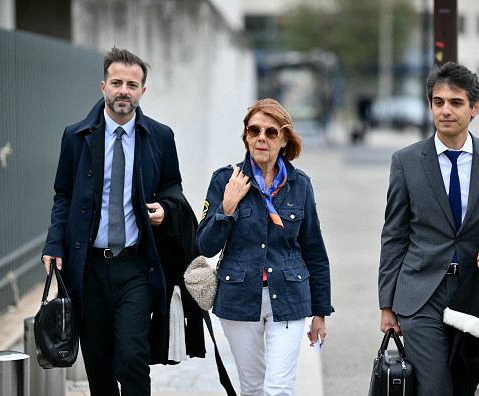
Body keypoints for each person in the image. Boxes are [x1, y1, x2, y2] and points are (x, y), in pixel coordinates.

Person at [378, 62, 479, 395]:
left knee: (465, 386)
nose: (446, 110)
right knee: (435, 388)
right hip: (421, 295)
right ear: (430, 105)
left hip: (475, 294)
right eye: (439, 102)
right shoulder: (406, 161)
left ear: (475, 108)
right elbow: (394, 234)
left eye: (456, 102)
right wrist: (387, 305)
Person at [41, 47, 182, 396]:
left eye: (132, 85)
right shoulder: (76, 136)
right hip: (88, 269)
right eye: (117, 82)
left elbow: (172, 186)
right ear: (103, 86)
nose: (124, 91)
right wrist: (54, 243)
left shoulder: (160, 137)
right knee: (99, 368)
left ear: (142, 92)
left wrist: (166, 208)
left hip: (135, 268)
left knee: (132, 360)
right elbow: (64, 196)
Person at [196, 98, 334, 396]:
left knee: (279, 387)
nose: (261, 137)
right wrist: (227, 207)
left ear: (284, 139)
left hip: (288, 296)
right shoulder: (225, 180)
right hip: (238, 297)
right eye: (254, 130)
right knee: (253, 388)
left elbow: (315, 252)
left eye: (270, 132)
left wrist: (320, 313)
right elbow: (205, 246)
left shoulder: (301, 185)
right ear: (246, 136)